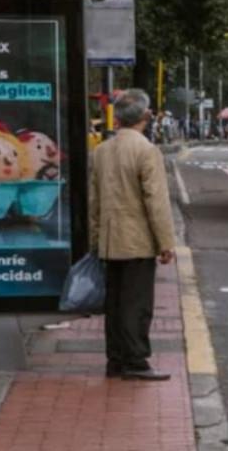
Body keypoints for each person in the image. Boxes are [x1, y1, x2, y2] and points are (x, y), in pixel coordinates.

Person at [90, 89, 177, 381]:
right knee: (137, 304)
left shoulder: (101, 151)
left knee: (114, 304)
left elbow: (94, 201)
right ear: (145, 116)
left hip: (109, 241)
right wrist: (166, 242)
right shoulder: (146, 151)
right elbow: (156, 201)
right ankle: (136, 360)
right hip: (137, 240)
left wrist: (96, 237)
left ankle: (115, 360)